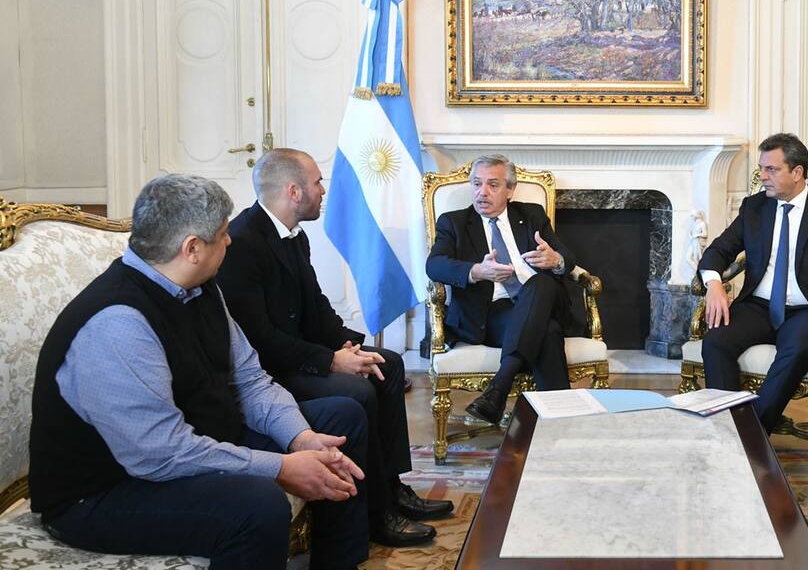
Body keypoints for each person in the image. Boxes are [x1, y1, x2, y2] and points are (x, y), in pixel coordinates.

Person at [29, 174, 370, 570]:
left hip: (195, 437)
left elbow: (249, 378)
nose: (230, 241)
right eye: (223, 234)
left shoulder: (201, 287)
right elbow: (160, 454)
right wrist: (280, 467)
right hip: (105, 492)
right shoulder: (119, 321)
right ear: (192, 248)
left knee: (341, 418)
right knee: (257, 506)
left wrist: (301, 438)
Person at [217, 149, 451, 548]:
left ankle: (392, 487)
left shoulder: (295, 235)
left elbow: (316, 308)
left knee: (387, 363)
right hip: (269, 370)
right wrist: (330, 360)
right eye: (317, 183)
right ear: (293, 191)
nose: (323, 190)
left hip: (299, 353)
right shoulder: (241, 243)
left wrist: (348, 345)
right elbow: (259, 340)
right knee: (357, 391)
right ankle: (376, 513)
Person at [699, 133, 808, 430]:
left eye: (771, 169)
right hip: (758, 305)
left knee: (796, 349)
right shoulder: (754, 207)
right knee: (716, 341)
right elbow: (719, 250)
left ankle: (752, 434)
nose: (762, 176)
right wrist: (714, 283)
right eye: (761, 169)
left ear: (797, 173)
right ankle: (727, 427)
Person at [426, 154, 577, 425]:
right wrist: (476, 271)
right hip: (491, 314)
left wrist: (556, 260)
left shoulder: (531, 215)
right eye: (476, 184)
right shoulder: (454, 223)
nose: (482, 192)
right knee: (549, 332)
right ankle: (559, 423)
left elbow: (566, 254)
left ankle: (499, 388)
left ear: (510, 189)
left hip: (544, 299)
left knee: (541, 282)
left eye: (493, 185)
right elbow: (435, 266)